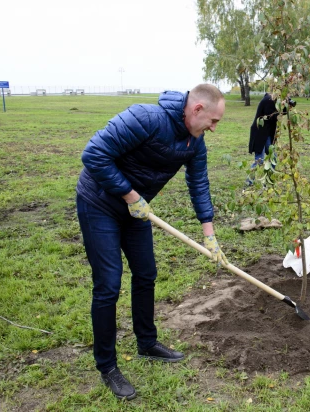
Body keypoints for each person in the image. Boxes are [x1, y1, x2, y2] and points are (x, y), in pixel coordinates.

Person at [76, 84, 228, 400]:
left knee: (146, 273)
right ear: (197, 110)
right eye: (213, 121)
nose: (214, 128)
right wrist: (131, 196)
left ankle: (146, 343)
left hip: (137, 211)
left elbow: (198, 184)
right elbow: (93, 154)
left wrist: (210, 236)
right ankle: (107, 367)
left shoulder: (194, 142)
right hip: (99, 202)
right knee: (108, 284)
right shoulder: (145, 118)